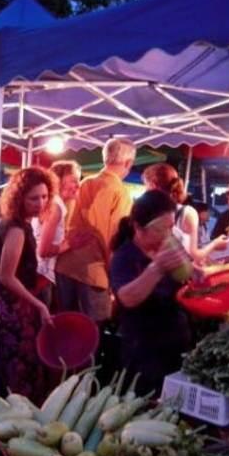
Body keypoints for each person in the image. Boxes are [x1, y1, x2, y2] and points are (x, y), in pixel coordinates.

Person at [110, 190, 193, 396]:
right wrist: (156, 269)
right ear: (138, 227)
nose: (168, 234)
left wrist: (196, 276)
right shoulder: (124, 257)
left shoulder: (170, 245)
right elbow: (127, 298)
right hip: (143, 350)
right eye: (160, 229)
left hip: (174, 341)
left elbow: (186, 273)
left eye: (170, 227)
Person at [55, 138, 136, 323]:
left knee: (67, 330)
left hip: (65, 265)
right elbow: (114, 239)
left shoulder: (84, 182)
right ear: (128, 163)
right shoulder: (120, 192)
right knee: (91, 337)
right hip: (94, 272)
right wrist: (115, 278)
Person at [0, 166, 56, 404]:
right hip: (14, 310)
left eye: (44, 197)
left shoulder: (17, 223)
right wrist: (39, 305)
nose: (40, 203)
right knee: (21, 373)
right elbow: (6, 276)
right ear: (19, 197)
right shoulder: (17, 229)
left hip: (16, 305)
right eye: (34, 198)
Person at [143, 163, 229, 262]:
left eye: (145, 185)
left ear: (153, 185)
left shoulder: (146, 213)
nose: (145, 189)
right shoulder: (186, 213)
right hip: (177, 274)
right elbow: (194, 255)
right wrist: (214, 245)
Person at [32, 160, 87, 306]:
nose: (78, 185)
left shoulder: (54, 203)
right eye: (74, 180)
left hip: (40, 273)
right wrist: (69, 244)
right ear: (58, 180)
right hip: (41, 275)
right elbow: (43, 250)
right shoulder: (55, 207)